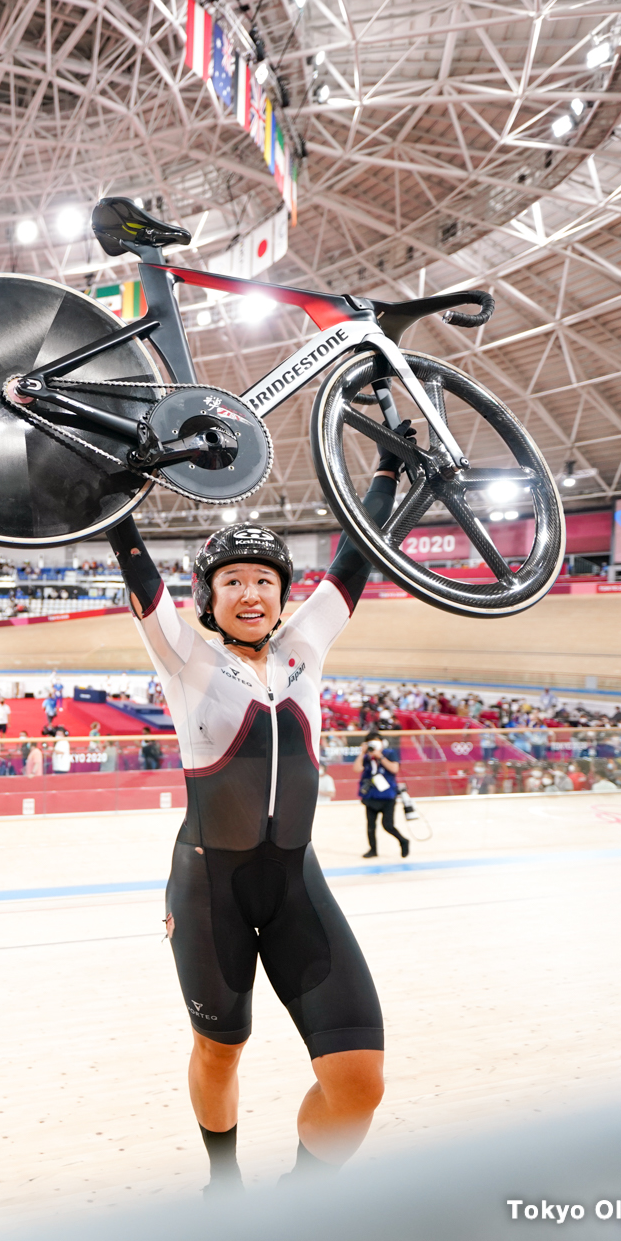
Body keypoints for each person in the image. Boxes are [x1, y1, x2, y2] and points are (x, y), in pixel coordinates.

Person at [105, 427, 409, 1196]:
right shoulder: (181, 654)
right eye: (232, 581)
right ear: (208, 597)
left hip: (297, 883)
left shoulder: (304, 645)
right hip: (211, 890)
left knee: (361, 1081)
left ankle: (301, 1196)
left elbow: (355, 558)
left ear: (282, 594)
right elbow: (133, 563)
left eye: (264, 581)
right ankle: (224, 1183)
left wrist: (387, 470)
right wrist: (112, 489)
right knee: (220, 1050)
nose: (250, 592)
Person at [358, 731, 409, 860]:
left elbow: (394, 769)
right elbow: (356, 768)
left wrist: (379, 756)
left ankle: (403, 841)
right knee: (370, 826)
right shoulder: (367, 757)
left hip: (387, 796)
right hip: (371, 796)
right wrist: (362, 753)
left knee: (388, 825)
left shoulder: (389, 753)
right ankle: (373, 849)